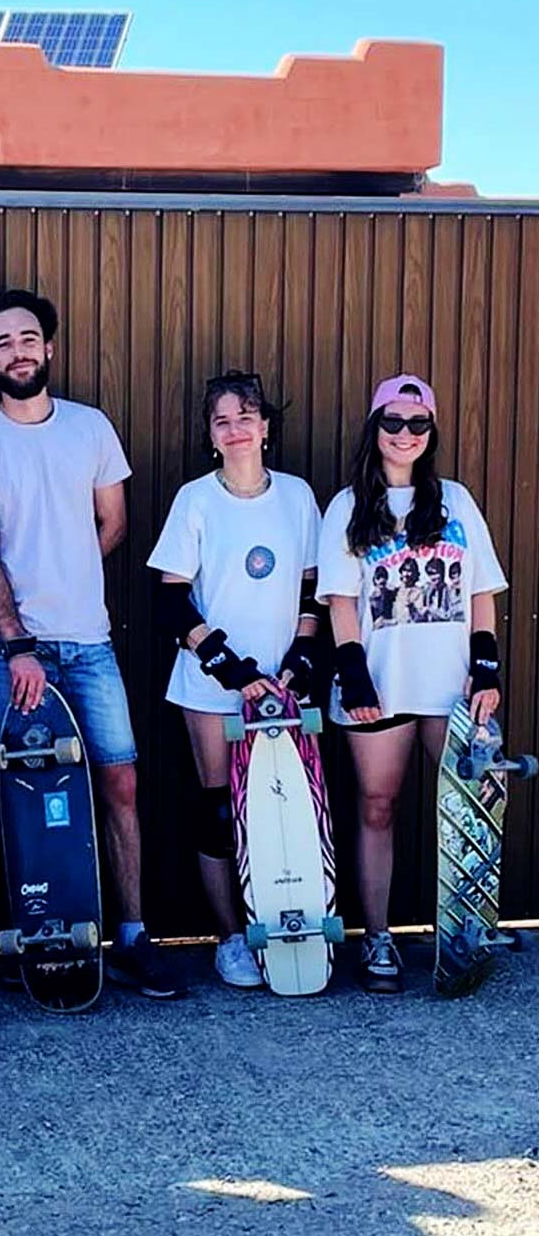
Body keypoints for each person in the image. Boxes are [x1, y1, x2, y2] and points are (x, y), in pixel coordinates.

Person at [0, 289, 182, 999]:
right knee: (24, 792)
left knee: (120, 780)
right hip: (10, 652)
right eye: (2, 341)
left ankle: (133, 934)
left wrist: (72, 578)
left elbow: (112, 523)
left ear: (47, 348)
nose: (16, 351)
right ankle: (41, 940)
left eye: (27, 338)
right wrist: (19, 642)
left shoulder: (90, 429)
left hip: (90, 644)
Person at [317, 374, 507, 993]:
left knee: (471, 808)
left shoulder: (455, 501)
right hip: (380, 684)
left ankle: (468, 930)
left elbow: (481, 590)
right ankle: (377, 940)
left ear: (431, 433)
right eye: (392, 423)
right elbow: (340, 601)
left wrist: (486, 669)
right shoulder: (348, 505)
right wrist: (353, 674)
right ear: (374, 429)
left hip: (449, 688)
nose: (405, 434)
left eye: (417, 424)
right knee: (378, 806)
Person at [147, 371, 322, 989]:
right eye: (222, 421)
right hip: (211, 685)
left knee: (283, 810)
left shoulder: (298, 496)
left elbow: (312, 590)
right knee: (221, 810)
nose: (236, 429)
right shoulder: (196, 500)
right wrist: (230, 668)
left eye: (247, 417)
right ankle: (230, 939)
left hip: (283, 688)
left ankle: (285, 926)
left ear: (266, 428)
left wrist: (300, 660)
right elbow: (170, 601)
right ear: (210, 435)